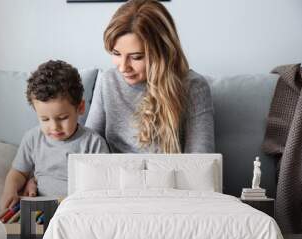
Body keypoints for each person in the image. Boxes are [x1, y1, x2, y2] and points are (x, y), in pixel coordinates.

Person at [86, 0, 214, 154]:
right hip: (115, 176)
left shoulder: (194, 87)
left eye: (136, 57)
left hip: (169, 177)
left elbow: (200, 162)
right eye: (116, 54)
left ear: (163, 52)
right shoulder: (108, 81)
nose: (123, 67)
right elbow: (88, 148)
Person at [0, 60, 109, 210]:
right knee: (13, 230)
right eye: (44, 119)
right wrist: (10, 190)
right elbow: (18, 172)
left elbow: (103, 184)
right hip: (39, 210)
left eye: (62, 118)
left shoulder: (93, 143)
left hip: (76, 210)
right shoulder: (32, 138)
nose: (54, 127)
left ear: (80, 108)